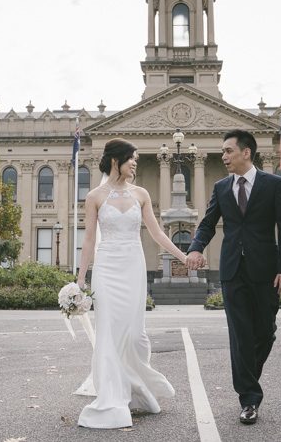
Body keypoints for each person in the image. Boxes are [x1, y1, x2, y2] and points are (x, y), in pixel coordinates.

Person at [74, 138, 189, 429]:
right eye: (132, 158)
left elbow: (158, 233)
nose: (136, 162)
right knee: (109, 333)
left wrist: (183, 257)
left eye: (137, 158)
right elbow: (88, 241)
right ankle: (113, 395)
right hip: (107, 267)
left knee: (135, 334)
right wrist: (80, 280)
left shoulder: (141, 194)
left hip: (133, 267)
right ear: (116, 161)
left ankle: (136, 387)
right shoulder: (95, 197)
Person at [186, 129, 281, 425]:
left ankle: (248, 376)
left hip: (266, 271)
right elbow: (208, 224)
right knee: (240, 334)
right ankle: (249, 398)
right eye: (223, 152)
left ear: (246, 152)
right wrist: (196, 248)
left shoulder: (273, 185)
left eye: (228, 151)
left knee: (265, 331)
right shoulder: (221, 187)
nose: (223, 156)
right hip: (232, 270)